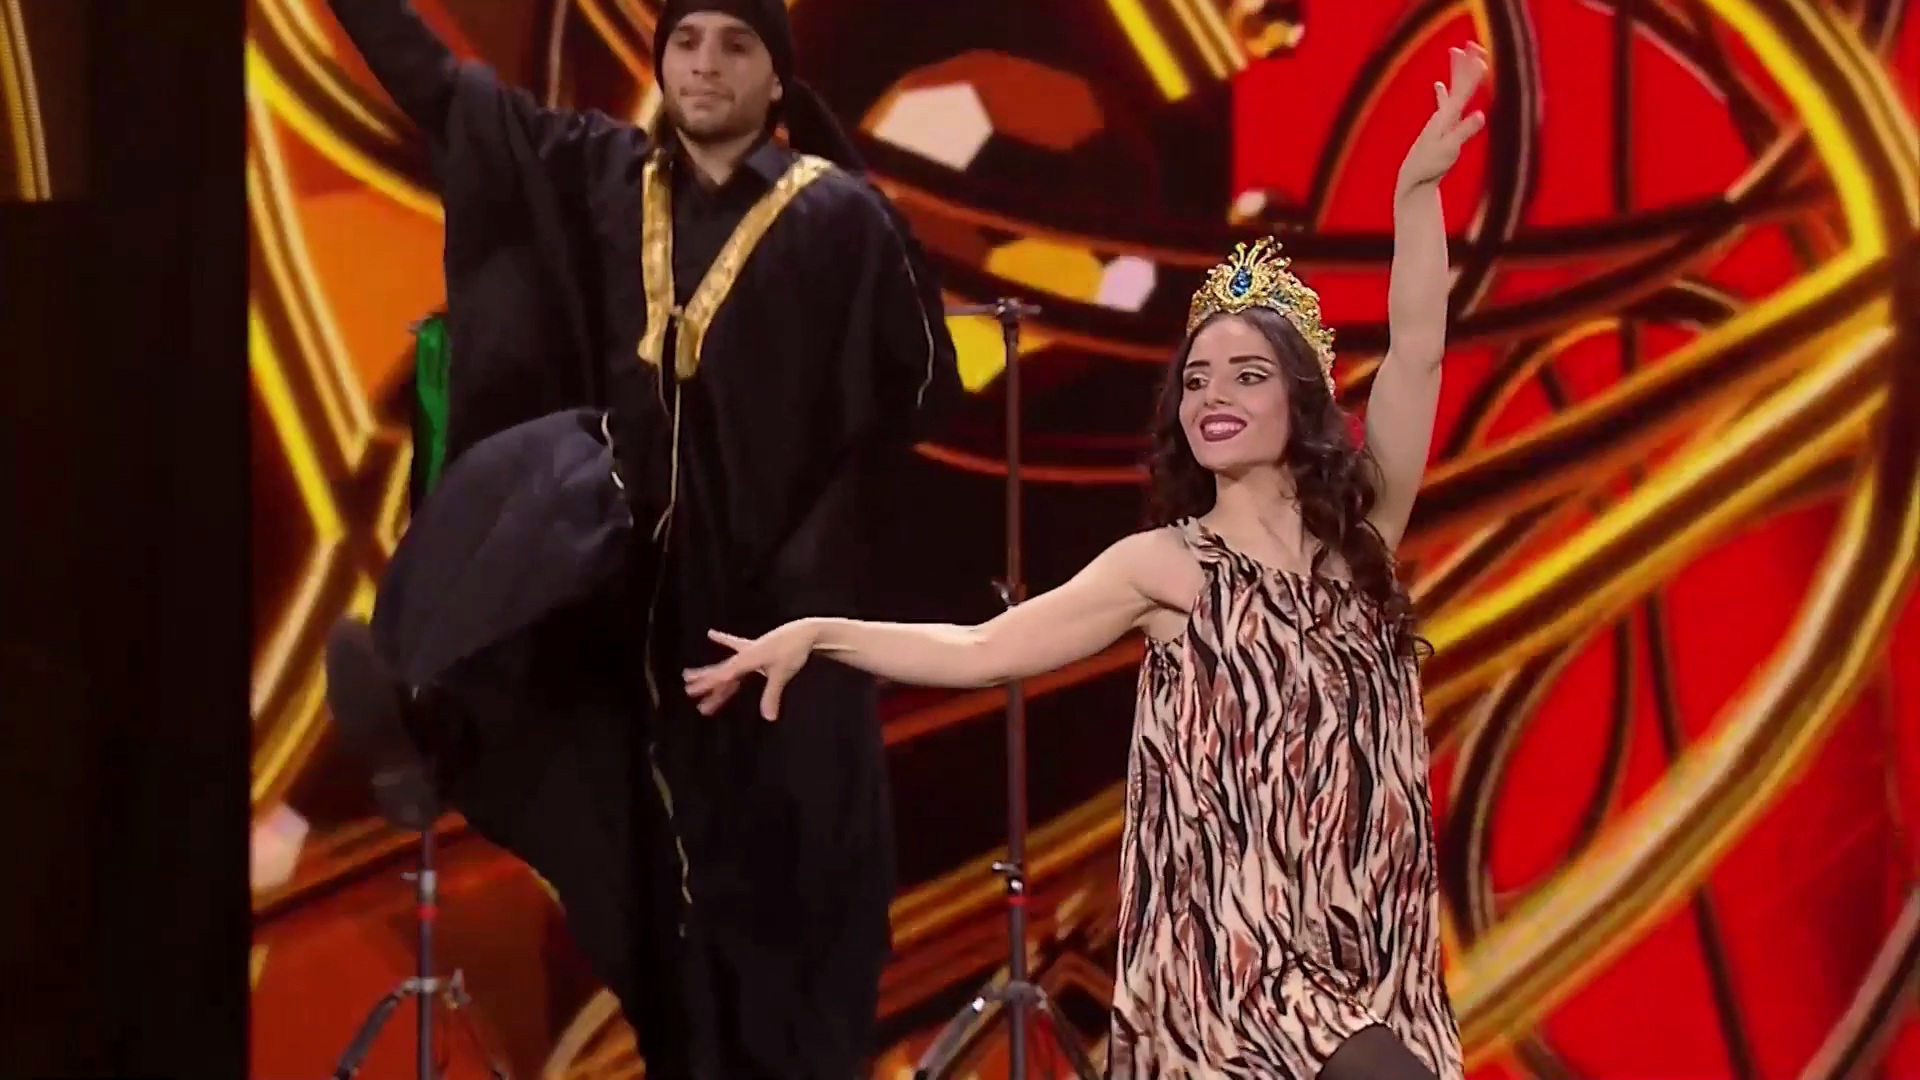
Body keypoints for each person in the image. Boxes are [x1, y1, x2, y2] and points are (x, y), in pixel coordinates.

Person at [684, 44, 1490, 1080]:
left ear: (1299, 400)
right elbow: (981, 650)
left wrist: (1415, 195)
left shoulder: (1362, 535)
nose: (1212, 396)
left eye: (1245, 375)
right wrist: (820, 635)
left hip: (1370, 948)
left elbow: (1418, 349)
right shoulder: (1162, 568)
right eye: (1196, 378)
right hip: (1234, 975)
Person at [318, 0, 961, 1076]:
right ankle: (425, 715)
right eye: (685, 43)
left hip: (773, 630)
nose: (704, 65)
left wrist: (817, 561)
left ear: (776, 80)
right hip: (629, 618)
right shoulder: (602, 173)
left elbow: (925, 384)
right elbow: (442, 91)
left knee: (793, 941)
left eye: (736, 45)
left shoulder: (838, 216)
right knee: (651, 923)